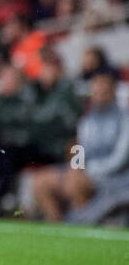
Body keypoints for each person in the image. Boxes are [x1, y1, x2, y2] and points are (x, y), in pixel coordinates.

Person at [30, 70, 129, 222]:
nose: (99, 93)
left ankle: (80, 225)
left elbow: (119, 159)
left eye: (103, 89)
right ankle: (56, 227)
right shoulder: (88, 119)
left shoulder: (124, 119)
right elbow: (81, 149)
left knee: (76, 183)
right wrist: (76, 167)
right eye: (96, 89)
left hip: (114, 175)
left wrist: (87, 170)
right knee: (41, 181)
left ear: (113, 91)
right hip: (85, 171)